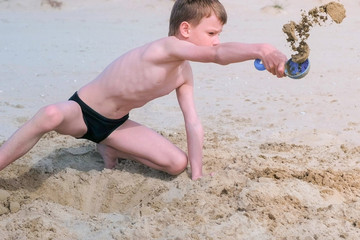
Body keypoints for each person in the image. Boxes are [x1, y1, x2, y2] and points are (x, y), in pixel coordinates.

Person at [0, 0, 287, 180]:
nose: (216, 41)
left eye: (219, 35)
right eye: (211, 34)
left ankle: (109, 146)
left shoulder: (183, 73)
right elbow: (218, 55)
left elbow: (193, 122)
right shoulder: (166, 46)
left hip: (114, 126)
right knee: (50, 114)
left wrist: (196, 173)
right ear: (185, 29)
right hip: (81, 112)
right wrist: (261, 49)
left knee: (176, 164)